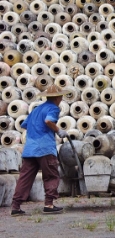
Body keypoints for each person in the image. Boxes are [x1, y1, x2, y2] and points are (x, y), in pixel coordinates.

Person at [11, 85, 70, 216]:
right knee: (51, 175)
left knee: (25, 178)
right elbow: (48, 120)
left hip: (30, 149)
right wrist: (58, 130)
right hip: (45, 148)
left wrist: (36, 129)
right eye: (61, 96)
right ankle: (49, 204)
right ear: (58, 97)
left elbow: (24, 124)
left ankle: (15, 206)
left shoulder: (36, 109)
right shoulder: (53, 108)